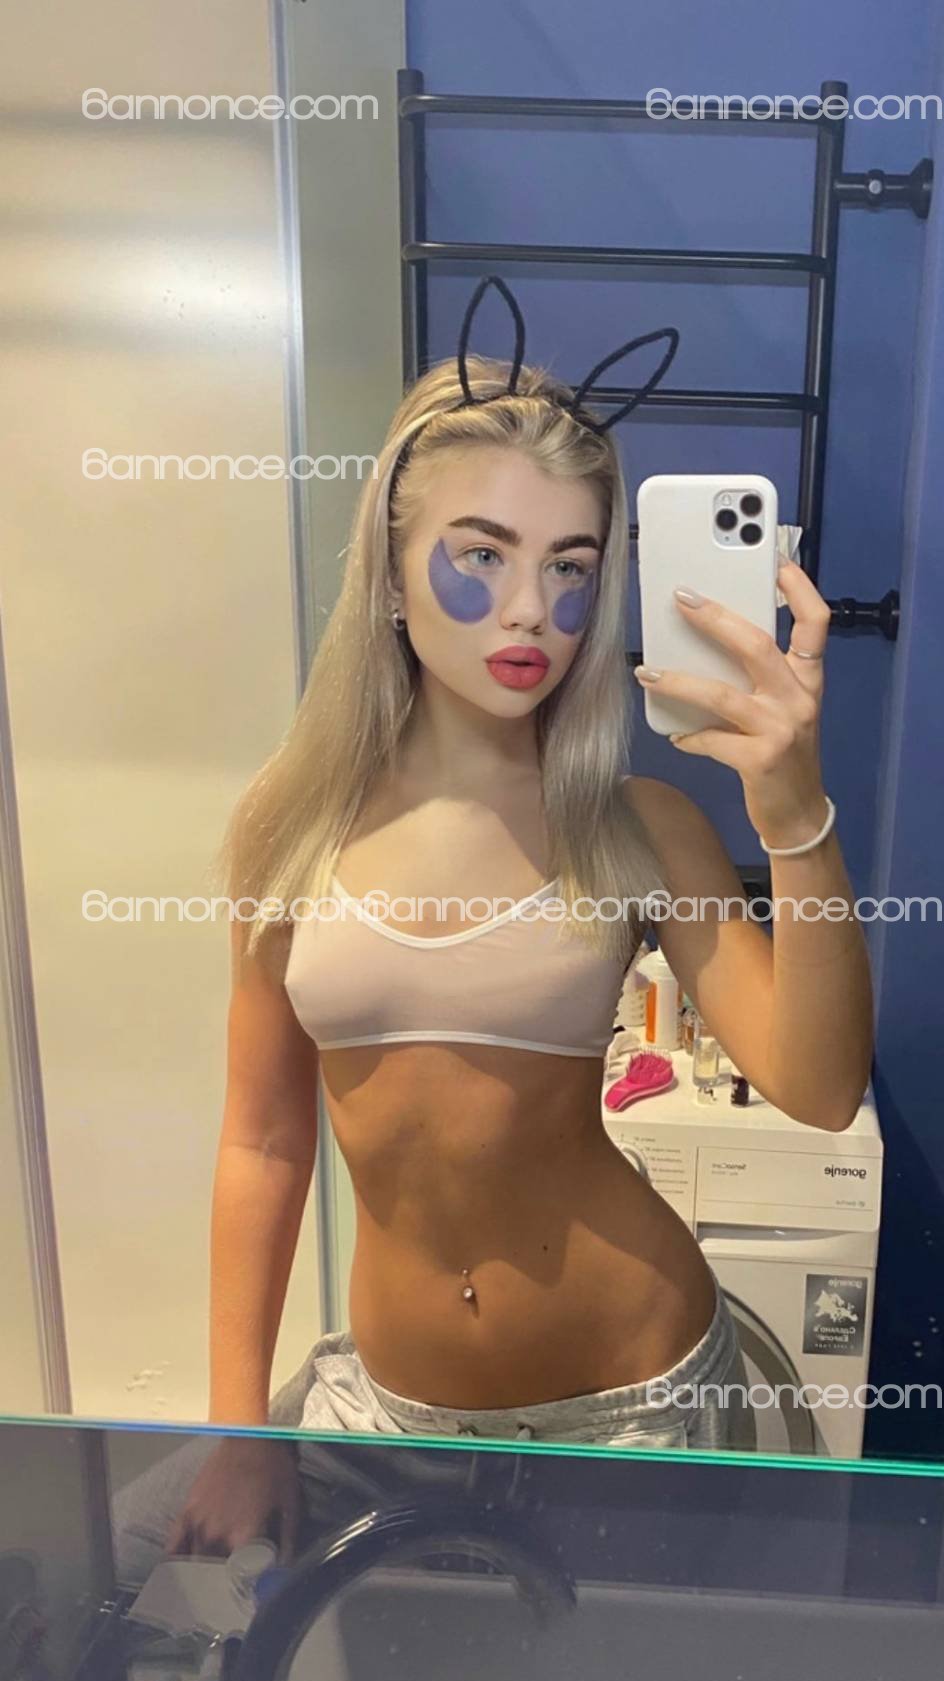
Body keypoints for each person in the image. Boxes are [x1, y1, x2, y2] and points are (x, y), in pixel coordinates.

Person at [155, 278, 872, 1563]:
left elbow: (818, 1091)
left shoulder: (638, 826)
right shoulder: (291, 822)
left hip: (640, 1406)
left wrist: (795, 811)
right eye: (482, 555)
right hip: (388, 1416)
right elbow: (261, 1142)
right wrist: (237, 1429)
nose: (531, 608)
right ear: (391, 572)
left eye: (570, 566)